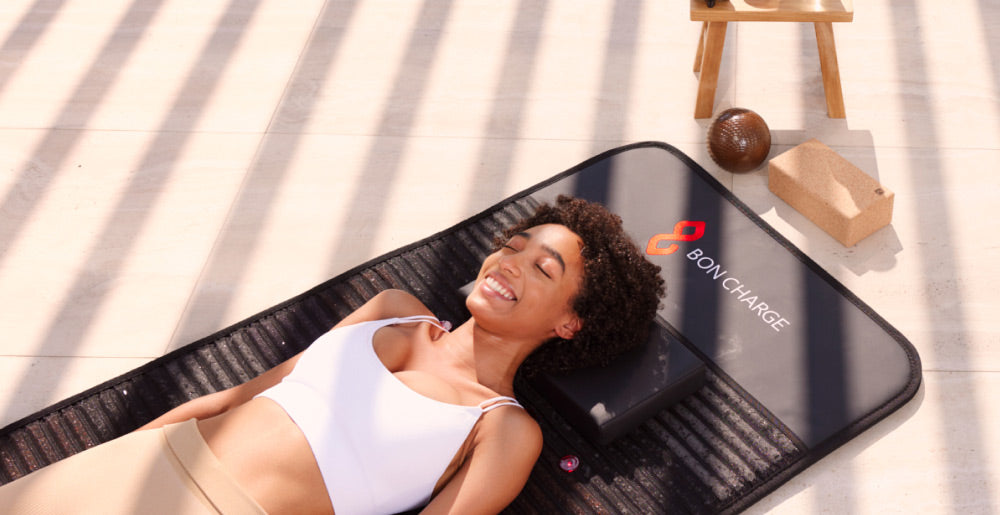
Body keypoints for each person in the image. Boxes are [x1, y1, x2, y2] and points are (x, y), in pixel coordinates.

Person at [0, 196, 664, 515]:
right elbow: (246, 394)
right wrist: (124, 448)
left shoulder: (502, 427)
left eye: (542, 268)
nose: (508, 263)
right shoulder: (393, 305)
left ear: (571, 322)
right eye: (514, 245)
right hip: (151, 463)